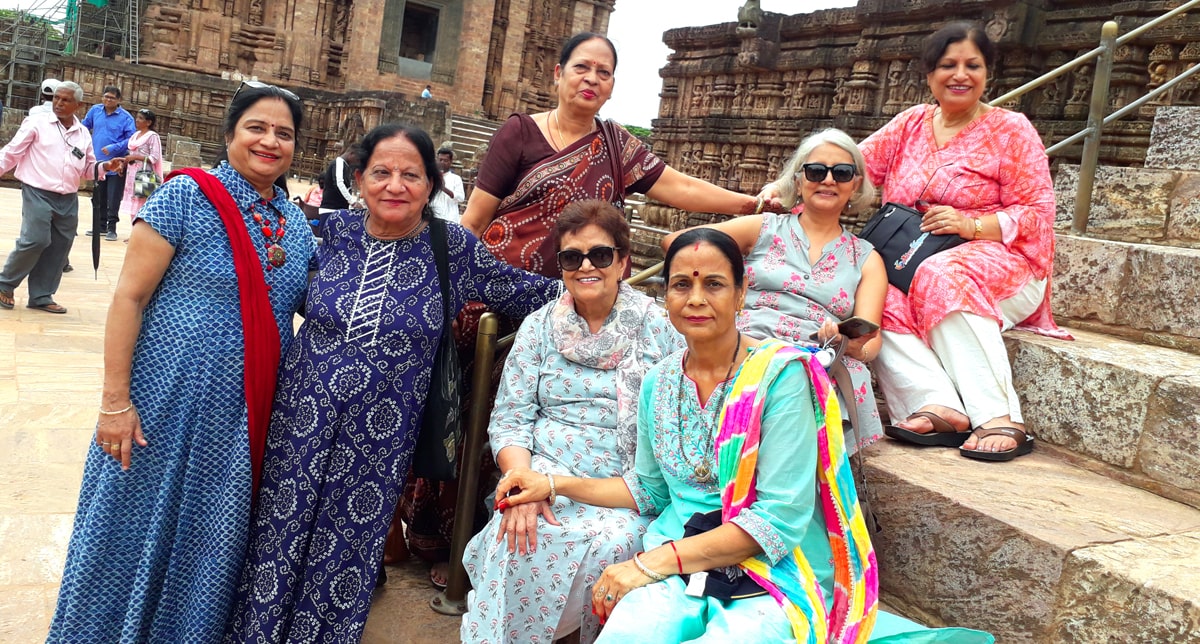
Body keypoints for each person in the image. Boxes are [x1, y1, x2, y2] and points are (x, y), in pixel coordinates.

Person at [406, 30, 781, 588]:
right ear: (557, 73)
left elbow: (673, 185)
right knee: (485, 409)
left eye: (603, 73)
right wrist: (443, 284)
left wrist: (749, 204)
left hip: (591, 294)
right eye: (582, 67)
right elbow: (477, 219)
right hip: (506, 297)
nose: (591, 79)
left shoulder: (615, 144)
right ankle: (453, 533)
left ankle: (533, 526)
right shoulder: (520, 132)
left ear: (610, 87)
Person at [496, 229, 991, 643]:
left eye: (713, 284)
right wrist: (553, 484)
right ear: (664, 295)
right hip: (681, 557)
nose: (695, 299)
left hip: (771, 568)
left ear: (741, 291)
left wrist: (648, 565)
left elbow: (779, 518)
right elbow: (646, 490)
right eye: (680, 285)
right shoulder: (659, 381)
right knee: (629, 633)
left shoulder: (780, 377)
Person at [225, 123, 562, 643]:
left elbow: (534, 295)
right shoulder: (328, 237)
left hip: (380, 437)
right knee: (277, 533)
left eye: (411, 174)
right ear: (359, 180)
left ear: (432, 184)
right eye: (381, 173)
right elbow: (252, 289)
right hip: (299, 421)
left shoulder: (451, 248)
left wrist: (599, 274)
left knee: (348, 547)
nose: (394, 185)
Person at [47, 82, 313, 641]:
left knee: (207, 545)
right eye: (256, 128)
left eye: (283, 134)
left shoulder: (298, 228)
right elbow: (129, 298)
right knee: (126, 534)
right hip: (159, 408)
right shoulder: (186, 196)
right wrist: (114, 402)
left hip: (237, 426)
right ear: (229, 134)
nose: (270, 142)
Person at [460, 200, 685, 643]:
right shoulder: (539, 327)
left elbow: (672, 429)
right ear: (560, 266)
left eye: (600, 255)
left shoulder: (659, 330)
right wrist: (522, 481)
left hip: (625, 487)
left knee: (615, 546)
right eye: (571, 257)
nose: (586, 267)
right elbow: (510, 417)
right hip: (541, 475)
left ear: (623, 261)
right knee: (516, 536)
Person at [857, 23, 1066, 461]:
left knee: (940, 274)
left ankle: (999, 416)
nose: (961, 75)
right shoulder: (910, 124)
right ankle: (939, 405)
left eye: (973, 65)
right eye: (948, 65)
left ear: (988, 73)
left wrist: (971, 225)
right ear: (929, 74)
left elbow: (1037, 213)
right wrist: (791, 186)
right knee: (871, 292)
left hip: (1005, 265)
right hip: (911, 261)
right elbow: (851, 166)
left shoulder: (1011, 130)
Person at [668, 129, 887, 453]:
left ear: (855, 184)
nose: (828, 180)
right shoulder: (763, 228)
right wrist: (724, 286)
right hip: (747, 342)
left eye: (841, 173)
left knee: (808, 379)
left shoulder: (866, 258)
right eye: (816, 171)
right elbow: (678, 243)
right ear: (798, 180)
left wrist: (853, 346)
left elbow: (872, 337)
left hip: (817, 356)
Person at [0, 81, 122, 315]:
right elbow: (11, 152)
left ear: (78, 105)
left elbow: (87, 168)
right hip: (37, 191)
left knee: (60, 246)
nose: (58, 103)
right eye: (56, 98)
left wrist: (106, 165)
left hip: (68, 196)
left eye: (65, 100)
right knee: (35, 239)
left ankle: (41, 295)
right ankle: (5, 284)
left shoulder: (83, 133)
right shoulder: (36, 123)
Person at [82, 85, 136, 241]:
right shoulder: (95, 111)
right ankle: (100, 226)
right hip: (98, 162)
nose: (107, 100)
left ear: (118, 100)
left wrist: (114, 147)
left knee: (113, 196)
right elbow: (85, 126)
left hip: (116, 163)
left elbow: (131, 140)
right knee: (98, 195)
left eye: (111, 98)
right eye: (105, 96)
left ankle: (112, 227)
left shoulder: (126, 118)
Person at [118, 108, 163, 223]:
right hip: (131, 174)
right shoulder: (135, 135)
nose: (137, 120)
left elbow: (154, 157)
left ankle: (141, 232)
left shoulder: (152, 136)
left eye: (141, 118)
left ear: (148, 122)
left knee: (142, 202)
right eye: (137, 117)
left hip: (144, 174)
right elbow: (131, 154)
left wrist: (136, 157)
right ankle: (134, 231)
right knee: (133, 201)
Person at [318, 144, 362, 211]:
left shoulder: (346, 166)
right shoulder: (339, 162)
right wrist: (352, 202)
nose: (357, 162)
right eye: (357, 159)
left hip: (339, 208)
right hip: (331, 208)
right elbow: (339, 183)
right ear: (351, 154)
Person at [430, 146, 465, 223]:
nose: (442, 163)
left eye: (445, 160)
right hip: (433, 217)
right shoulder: (431, 177)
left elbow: (461, 198)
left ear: (450, 162)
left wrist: (443, 188)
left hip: (450, 218)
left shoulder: (456, 178)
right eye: (440, 160)